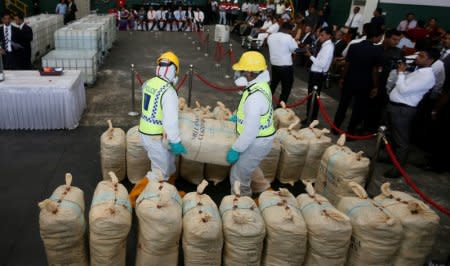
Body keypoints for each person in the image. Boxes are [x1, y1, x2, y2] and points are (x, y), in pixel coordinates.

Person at [129, 51, 187, 205]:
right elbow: (170, 121)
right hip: (156, 137)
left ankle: (169, 192)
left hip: (146, 132)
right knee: (159, 172)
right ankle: (134, 198)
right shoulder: (169, 92)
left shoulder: (149, 83)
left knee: (169, 164)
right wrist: (175, 141)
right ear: (174, 71)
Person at [227, 51, 275, 196]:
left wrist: (236, 149)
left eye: (241, 71)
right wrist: (239, 117)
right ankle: (264, 189)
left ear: (250, 73)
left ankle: (243, 204)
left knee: (238, 176)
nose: (238, 74)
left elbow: (250, 132)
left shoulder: (255, 97)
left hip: (257, 141)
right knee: (249, 166)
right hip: (260, 138)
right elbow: (254, 114)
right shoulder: (258, 86)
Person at [384, 49, 438, 178]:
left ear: (430, 61)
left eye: (422, 56)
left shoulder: (427, 76)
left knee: (401, 141)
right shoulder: (418, 71)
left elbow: (403, 90)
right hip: (395, 107)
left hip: (403, 110)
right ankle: (390, 157)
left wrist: (401, 73)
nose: (417, 57)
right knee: (390, 135)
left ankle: (398, 170)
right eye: (419, 54)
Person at [333, 24, 384, 135]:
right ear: (376, 37)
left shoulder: (354, 46)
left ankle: (335, 128)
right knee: (358, 109)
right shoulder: (377, 51)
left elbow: (347, 64)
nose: (381, 39)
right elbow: (375, 71)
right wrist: (376, 86)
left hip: (349, 80)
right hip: (365, 84)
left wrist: (342, 78)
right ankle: (351, 133)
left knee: (343, 105)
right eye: (381, 36)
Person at [366, 29, 403, 132]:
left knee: (380, 108)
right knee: (368, 106)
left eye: (398, 40)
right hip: (372, 82)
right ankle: (365, 125)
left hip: (387, 85)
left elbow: (401, 68)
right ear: (386, 38)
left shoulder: (398, 52)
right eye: (394, 39)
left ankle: (375, 129)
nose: (396, 42)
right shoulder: (375, 49)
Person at [304, 27, 334, 123]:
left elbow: (321, 64)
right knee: (311, 97)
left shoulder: (328, 47)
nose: (320, 37)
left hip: (317, 75)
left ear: (329, 36)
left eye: (322, 35)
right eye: (320, 35)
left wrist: (310, 56)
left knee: (314, 98)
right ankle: (310, 117)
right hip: (315, 73)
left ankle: (311, 119)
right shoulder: (325, 45)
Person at [267, 22, 298, 105]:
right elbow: (294, 50)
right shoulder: (288, 37)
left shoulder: (271, 36)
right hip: (286, 67)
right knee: (286, 89)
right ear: (289, 30)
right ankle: (280, 109)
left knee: (273, 85)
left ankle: (264, 103)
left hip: (274, 65)